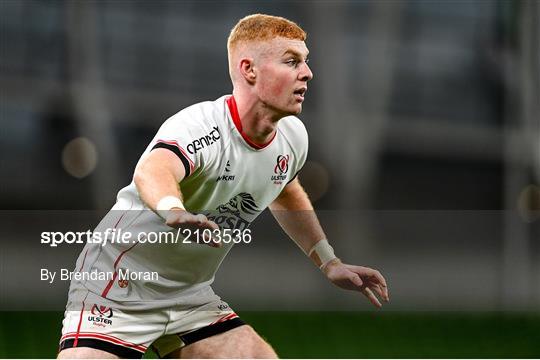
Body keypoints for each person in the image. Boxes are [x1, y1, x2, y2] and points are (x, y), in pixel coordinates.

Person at [57, 14, 389, 359]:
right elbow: (153, 169)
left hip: (188, 294)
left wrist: (328, 261)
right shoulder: (201, 127)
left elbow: (284, 189)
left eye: (305, 61)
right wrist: (174, 210)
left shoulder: (292, 137)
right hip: (119, 283)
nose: (307, 73)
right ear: (249, 70)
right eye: (292, 61)